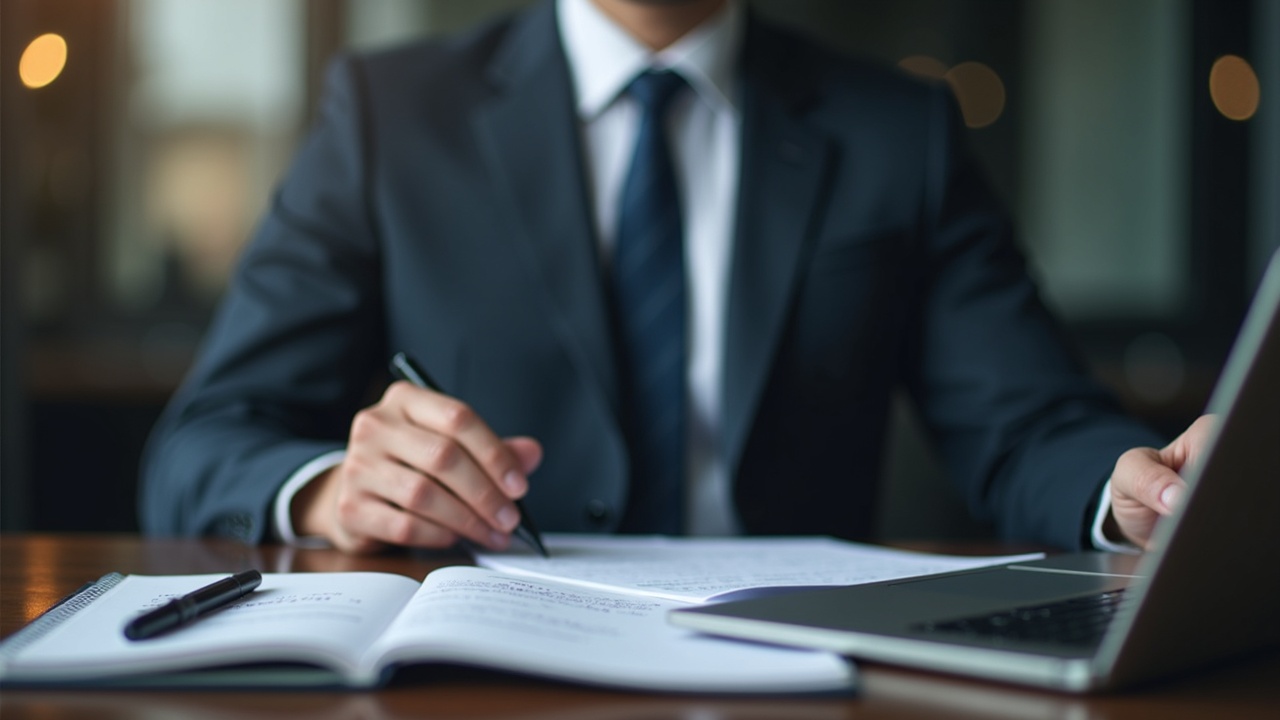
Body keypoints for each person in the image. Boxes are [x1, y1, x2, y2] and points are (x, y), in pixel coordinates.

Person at [140, 0, 1209, 556]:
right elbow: (203, 444)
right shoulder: (389, 116)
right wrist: (334, 490)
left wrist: (1136, 487)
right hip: (472, 678)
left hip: (796, 680)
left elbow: (1026, 426)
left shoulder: (896, 131)